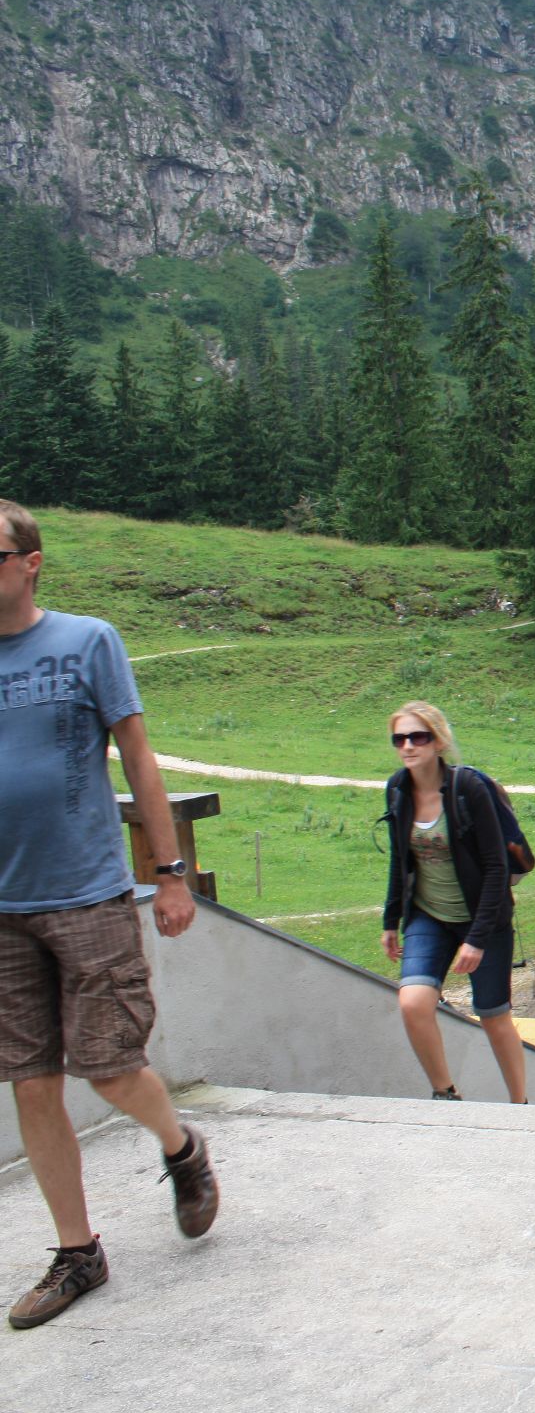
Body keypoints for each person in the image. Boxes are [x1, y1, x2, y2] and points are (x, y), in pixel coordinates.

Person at [1, 499, 221, 1331]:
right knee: (31, 1083)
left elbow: (137, 757)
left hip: (87, 894)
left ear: (30, 563)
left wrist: (170, 875)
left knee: (110, 1068)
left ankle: (182, 1148)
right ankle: (77, 1253)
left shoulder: (88, 642)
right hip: (4, 909)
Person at [380, 701, 527, 1103]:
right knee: (413, 1002)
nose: (408, 746)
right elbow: (399, 859)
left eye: (418, 737)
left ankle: (520, 1105)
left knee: (493, 1016)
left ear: (438, 741)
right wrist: (390, 921)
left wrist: (476, 940)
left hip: (484, 918)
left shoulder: (468, 789)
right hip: (428, 916)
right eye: (399, 739)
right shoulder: (397, 789)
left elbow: (496, 867)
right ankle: (445, 1094)